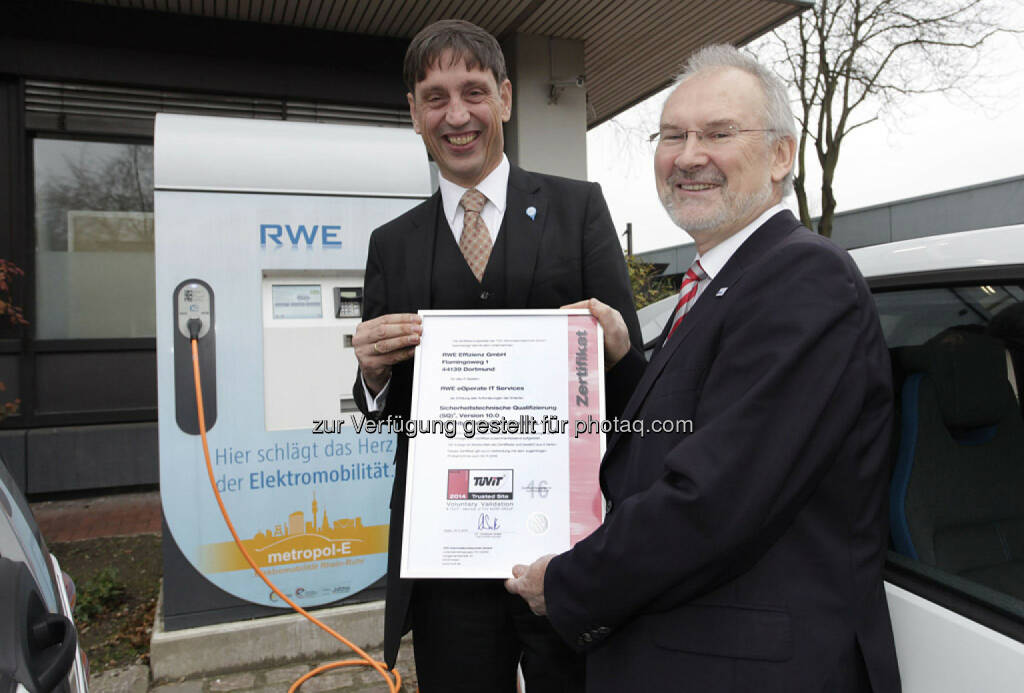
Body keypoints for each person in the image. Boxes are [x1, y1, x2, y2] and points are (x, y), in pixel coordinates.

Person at [506, 44, 902, 692]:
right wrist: (625, 360)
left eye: (718, 133)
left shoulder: (804, 278)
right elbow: (698, 428)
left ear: (781, 155)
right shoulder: (723, 282)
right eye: (672, 135)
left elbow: (713, 502)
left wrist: (564, 581)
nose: (689, 155)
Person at [350, 19, 642, 693]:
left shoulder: (579, 211)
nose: (457, 115)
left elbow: (633, 385)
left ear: (506, 98)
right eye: (435, 97)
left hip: (566, 548)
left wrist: (619, 346)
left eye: (474, 91)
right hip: (450, 563)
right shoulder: (391, 245)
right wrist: (371, 375)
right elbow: (386, 417)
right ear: (414, 113)